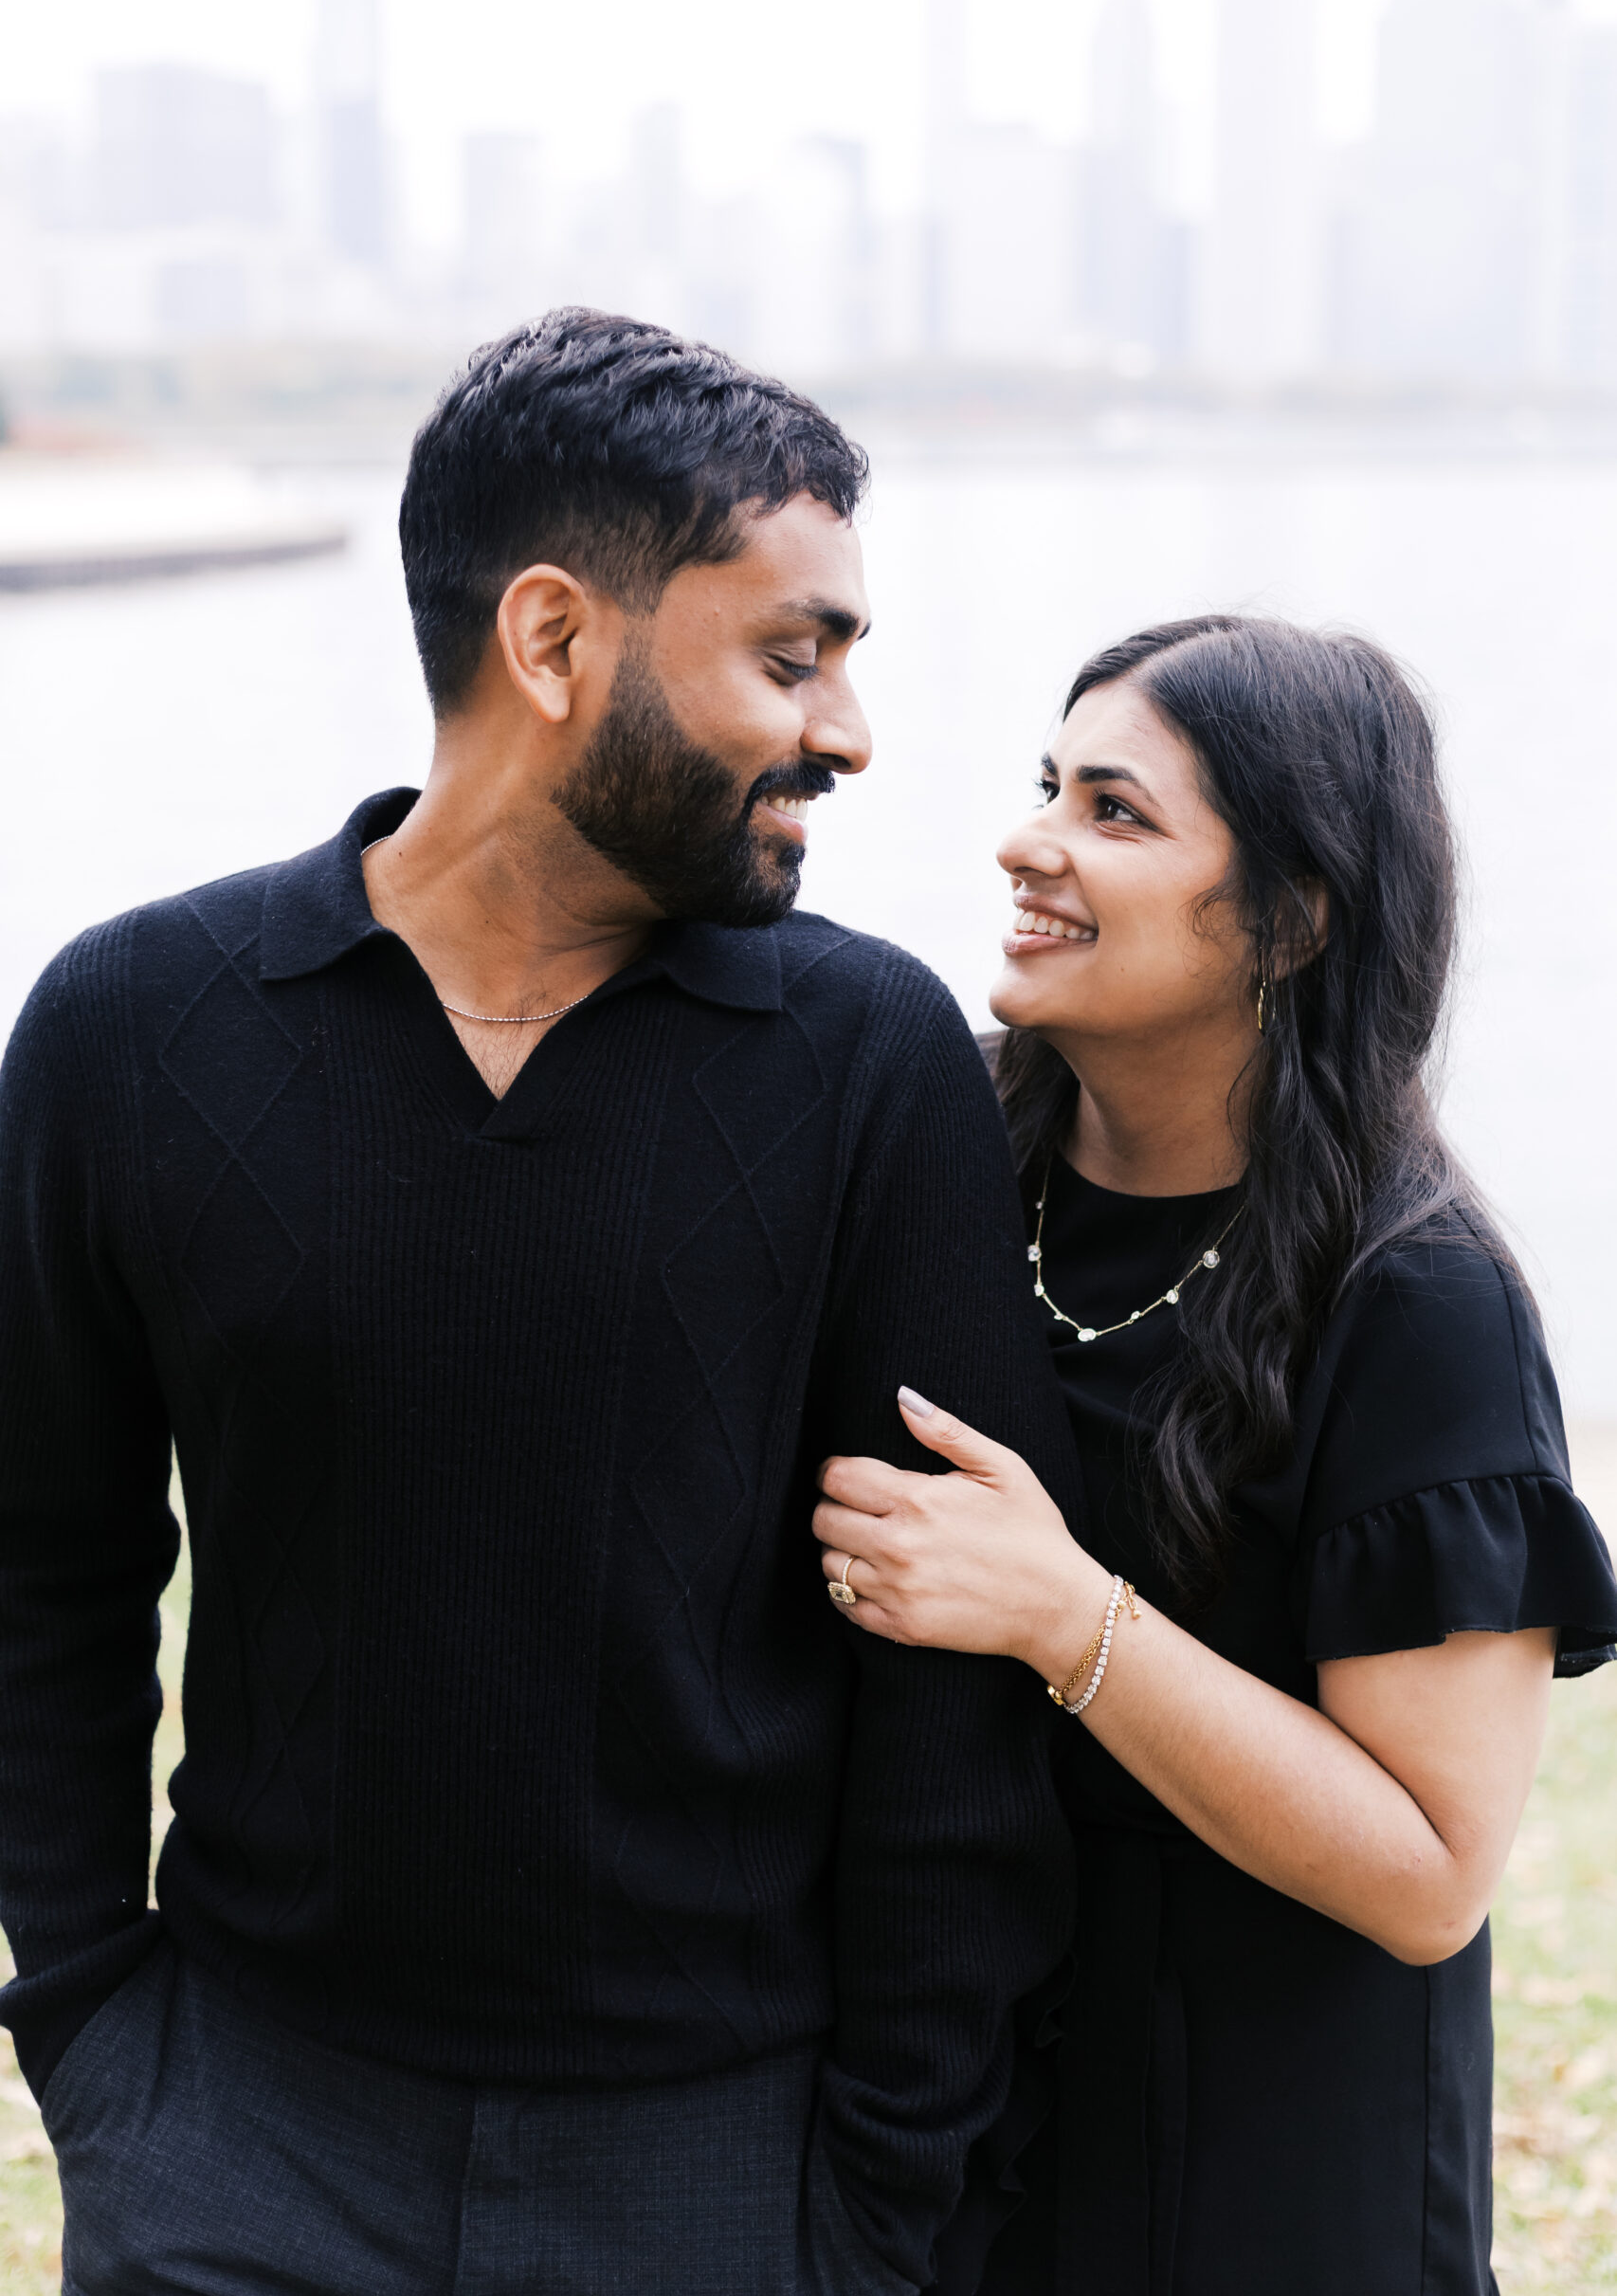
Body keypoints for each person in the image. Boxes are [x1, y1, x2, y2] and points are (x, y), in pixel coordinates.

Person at [0, 309, 1079, 2296]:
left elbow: (948, 1689)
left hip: (723, 2169)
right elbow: (42, 1573)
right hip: (238, 2141)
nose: (848, 732)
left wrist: (874, 2197)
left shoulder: (868, 1063)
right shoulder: (126, 1031)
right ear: (556, 639)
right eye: (791, 656)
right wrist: (94, 2037)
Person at [814, 614, 1617, 2296]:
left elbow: (1429, 1874)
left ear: (1289, 917)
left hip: (1267, 2169)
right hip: (948, 2127)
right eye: (1048, 785)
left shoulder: (1418, 1303)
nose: (1027, 841)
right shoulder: (943, 1158)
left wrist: (1064, 1616)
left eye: (1113, 811)